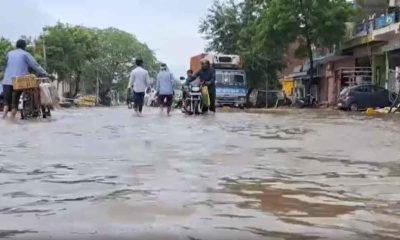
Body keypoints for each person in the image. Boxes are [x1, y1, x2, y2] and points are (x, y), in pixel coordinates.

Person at [1, 39, 48, 119]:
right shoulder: (25, 54)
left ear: (16, 45)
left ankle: (3, 118)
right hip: (18, 82)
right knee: (14, 104)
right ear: (24, 46)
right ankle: (11, 121)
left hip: (6, 81)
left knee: (6, 104)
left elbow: (7, 64)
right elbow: (35, 65)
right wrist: (44, 72)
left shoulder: (9, 53)